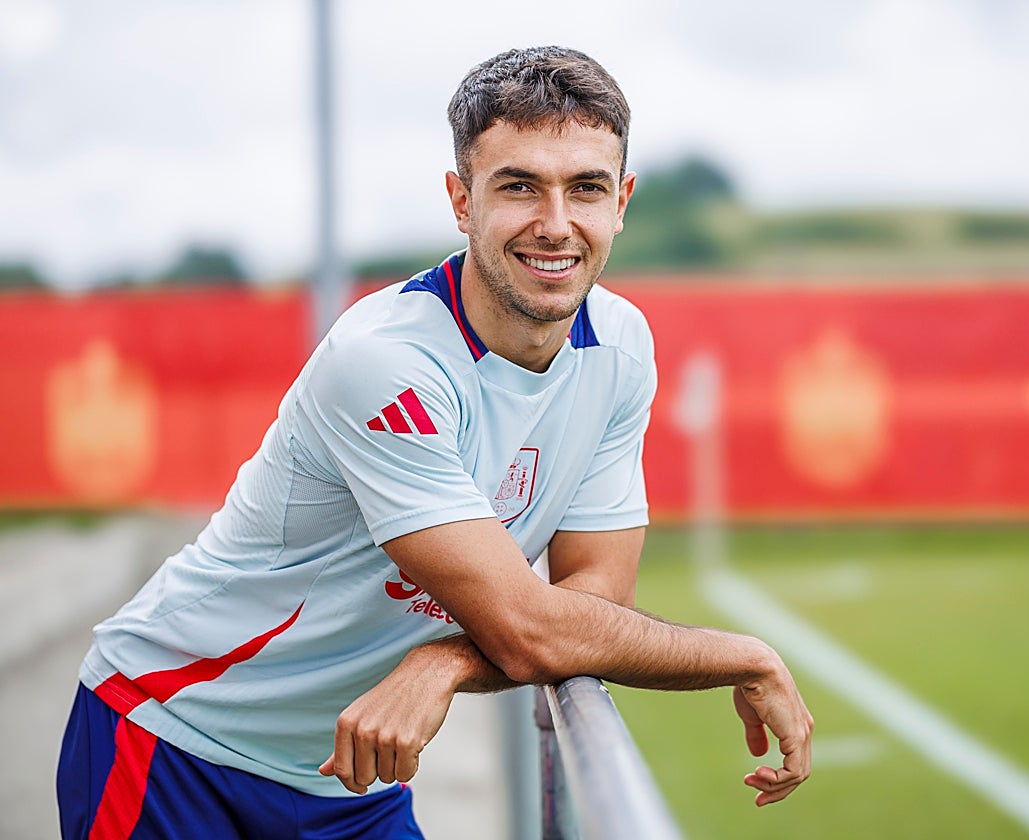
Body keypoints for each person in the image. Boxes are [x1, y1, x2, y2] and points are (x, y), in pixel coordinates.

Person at [57, 45, 813, 839]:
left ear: (621, 201)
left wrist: (443, 660)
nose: (556, 225)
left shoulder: (620, 350)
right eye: (518, 185)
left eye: (585, 188)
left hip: (351, 771)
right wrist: (743, 653)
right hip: (178, 735)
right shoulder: (387, 360)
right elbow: (532, 632)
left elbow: (593, 598)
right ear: (461, 200)